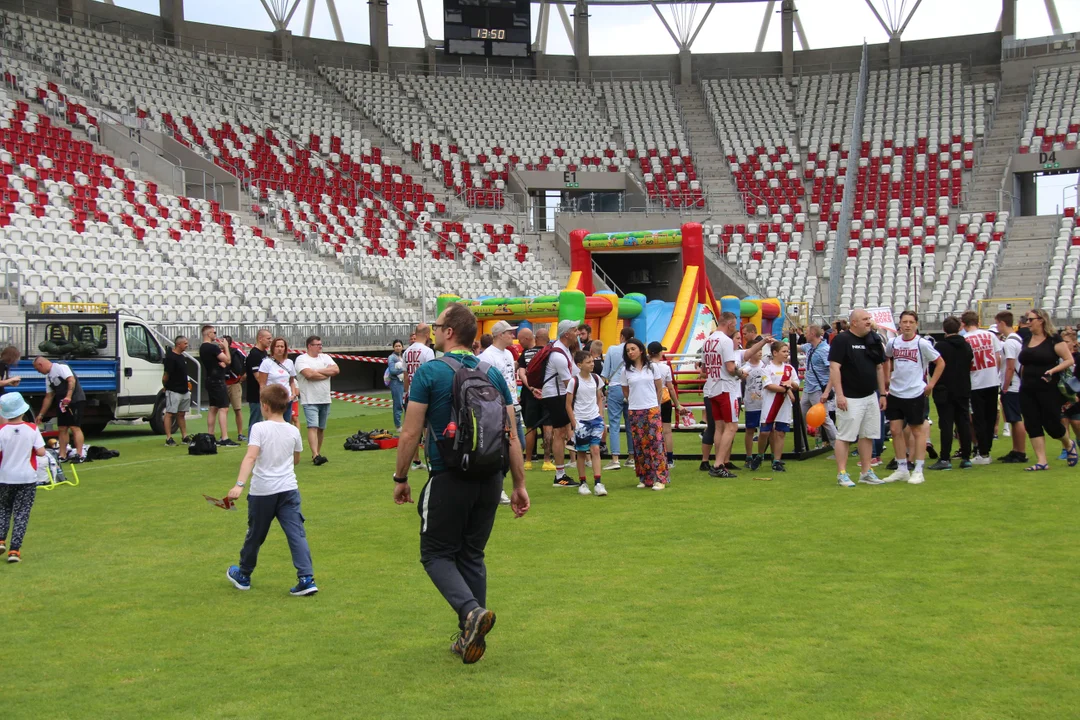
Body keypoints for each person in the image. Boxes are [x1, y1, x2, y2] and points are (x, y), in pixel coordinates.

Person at [392, 301, 529, 665]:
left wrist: (401, 477)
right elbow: (511, 434)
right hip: (490, 476)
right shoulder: (493, 373)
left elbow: (409, 432)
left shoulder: (430, 372)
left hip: (450, 474)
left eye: (437, 326)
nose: (435, 331)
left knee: (436, 553)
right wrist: (519, 484)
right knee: (471, 554)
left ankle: (470, 613)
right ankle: (469, 634)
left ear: (450, 332)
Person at [225, 383, 317, 597]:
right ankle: (306, 578)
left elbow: (250, 456)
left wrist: (239, 484)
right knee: (296, 534)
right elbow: (295, 459)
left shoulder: (259, 428)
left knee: (255, 534)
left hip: (262, 492)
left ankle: (244, 574)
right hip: (288, 490)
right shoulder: (293, 431)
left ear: (265, 406)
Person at [880, 311, 944, 485]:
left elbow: (940, 362)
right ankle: (902, 467)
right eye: (904, 322)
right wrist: (887, 377)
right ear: (899, 324)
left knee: (917, 430)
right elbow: (887, 359)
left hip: (915, 392)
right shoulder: (893, 342)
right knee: (895, 430)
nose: (907, 325)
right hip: (895, 392)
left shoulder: (921, 343)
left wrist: (931, 384)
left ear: (916, 324)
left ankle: (918, 469)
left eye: (911, 322)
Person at [703, 312, 769, 478]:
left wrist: (763, 342)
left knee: (719, 427)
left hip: (713, 387)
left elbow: (704, 369)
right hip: (727, 388)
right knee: (731, 426)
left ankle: (718, 462)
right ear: (730, 324)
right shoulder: (725, 341)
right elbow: (731, 368)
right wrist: (741, 374)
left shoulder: (708, 340)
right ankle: (719, 464)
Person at [828, 308, 887, 487]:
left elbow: (879, 368)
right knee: (845, 436)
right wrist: (839, 395)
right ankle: (842, 473)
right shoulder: (842, 340)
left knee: (868, 435)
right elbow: (834, 367)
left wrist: (882, 393)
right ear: (854, 322)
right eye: (865, 319)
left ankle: (866, 471)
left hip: (870, 395)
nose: (869, 322)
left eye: (869, 318)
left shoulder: (873, 339)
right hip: (850, 396)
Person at [1017, 309, 1077, 471]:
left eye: (1030, 319)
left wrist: (1052, 371)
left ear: (1041, 320)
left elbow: (1068, 360)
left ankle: (1068, 443)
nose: (1027, 322)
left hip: (1047, 388)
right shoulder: (1027, 339)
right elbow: (1024, 363)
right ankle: (1042, 461)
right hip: (1027, 388)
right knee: (1032, 422)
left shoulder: (1053, 340)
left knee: (1051, 423)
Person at [0, 392, 46, 563]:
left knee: (3, 509)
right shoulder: (32, 429)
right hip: (26, 477)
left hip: (5, 477)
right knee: (22, 513)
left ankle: (0, 539)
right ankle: (14, 550)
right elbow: (41, 452)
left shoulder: (2, 431)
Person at [479, 320, 521, 505]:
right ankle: (497, 488)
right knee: (501, 450)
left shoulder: (508, 355)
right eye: (509, 332)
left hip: (512, 404)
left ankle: (503, 487)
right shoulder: (487, 357)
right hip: (498, 407)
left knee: (515, 448)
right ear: (499, 335)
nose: (512, 335)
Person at [930, 316, 975, 470]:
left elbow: (933, 367)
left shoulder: (941, 346)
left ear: (944, 329)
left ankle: (945, 458)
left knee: (947, 424)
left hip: (945, 389)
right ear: (959, 328)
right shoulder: (966, 345)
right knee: (963, 422)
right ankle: (966, 457)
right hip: (963, 388)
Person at [622, 338, 668, 490]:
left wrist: (656, 404)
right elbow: (626, 390)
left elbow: (659, 388)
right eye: (628, 350)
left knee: (656, 443)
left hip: (652, 408)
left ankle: (660, 478)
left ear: (641, 350)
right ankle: (645, 477)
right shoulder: (626, 370)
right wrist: (634, 403)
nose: (630, 352)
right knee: (640, 445)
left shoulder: (653, 367)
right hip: (635, 410)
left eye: (633, 349)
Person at [538, 320, 578, 487]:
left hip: (557, 394)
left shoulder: (563, 350)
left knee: (562, 431)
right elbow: (569, 381)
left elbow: (575, 373)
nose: (577, 332)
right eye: (574, 330)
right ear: (566, 334)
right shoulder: (559, 355)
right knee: (560, 432)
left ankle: (561, 472)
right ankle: (560, 475)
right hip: (556, 395)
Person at [961, 310, 1002, 465]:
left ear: (963, 324)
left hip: (975, 382)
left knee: (978, 418)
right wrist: (995, 373)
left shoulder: (965, 339)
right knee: (991, 416)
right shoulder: (990, 335)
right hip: (992, 379)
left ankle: (982, 452)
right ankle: (987, 449)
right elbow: (998, 357)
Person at [32, 356, 88, 463]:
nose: (38, 372)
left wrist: (68, 397)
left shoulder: (60, 367)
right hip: (61, 403)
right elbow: (49, 396)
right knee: (62, 428)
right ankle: (62, 455)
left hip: (75, 400)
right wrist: (41, 415)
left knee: (74, 426)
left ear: (41, 365)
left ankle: (80, 454)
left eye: (37, 369)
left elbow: (71, 380)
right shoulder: (48, 377)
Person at [566, 349, 607, 496]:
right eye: (588, 362)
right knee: (582, 452)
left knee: (595, 450)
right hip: (581, 420)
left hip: (595, 419)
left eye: (592, 362)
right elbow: (568, 404)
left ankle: (598, 483)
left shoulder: (596, 379)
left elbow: (599, 397)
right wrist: (574, 423)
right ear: (579, 364)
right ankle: (583, 482)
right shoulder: (574, 381)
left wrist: (601, 416)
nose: (592, 364)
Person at [294, 335, 339, 466]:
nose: (320, 346)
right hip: (310, 398)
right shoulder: (301, 359)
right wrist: (326, 373)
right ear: (309, 346)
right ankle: (315, 454)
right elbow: (309, 375)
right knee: (312, 426)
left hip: (324, 397)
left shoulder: (325, 357)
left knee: (321, 428)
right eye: (317, 344)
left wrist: (318, 371)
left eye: (320, 344)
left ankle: (318, 453)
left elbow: (336, 370)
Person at [755, 341, 799, 472]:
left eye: (787, 352)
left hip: (784, 406)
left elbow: (796, 384)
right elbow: (769, 386)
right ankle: (760, 455)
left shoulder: (789, 369)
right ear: (775, 353)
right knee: (764, 432)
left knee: (780, 433)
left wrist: (790, 384)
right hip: (770, 405)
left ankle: (776, 460)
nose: (786, 354)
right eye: (784, 351)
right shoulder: (766, 369)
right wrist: (787, 389)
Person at [993, 311, 1028, 464]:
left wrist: (1005, 386)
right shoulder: (1016, 339)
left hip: (1013, 385)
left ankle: (1020, 452)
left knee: (1015, 418)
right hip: (1016, 384)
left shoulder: (1009, 342)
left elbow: (1010, 366)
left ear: (1002, 323)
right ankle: (1016, 450)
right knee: (1013, 419)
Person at [799, 325, 838, 448]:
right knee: (800, 417)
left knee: (824, 419)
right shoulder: (809, 347)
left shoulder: (825, 350)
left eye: (806, 332)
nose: (805, 335)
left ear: (812, 333)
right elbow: (797, 347)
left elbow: (833, 371)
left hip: (818, 390)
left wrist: (826, 392)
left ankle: (837, 446)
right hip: (808, 389)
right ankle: (801, 444)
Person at [198, 325, 237, 447]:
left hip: (210, 379)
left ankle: (211, 435)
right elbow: (228, 360)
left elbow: (217, 361)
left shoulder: (202, 348)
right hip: (218, 381)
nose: (215, 335)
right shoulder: (212, 347)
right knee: (223, 408)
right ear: (209, 334)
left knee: (213, 408)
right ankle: (224, 437)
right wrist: (226, 347)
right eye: (214, 332)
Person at [404, 323, 436, 471]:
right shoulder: (428, 352)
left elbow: (405, 375)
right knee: (428, 429)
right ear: (428, 334)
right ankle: (429, 459)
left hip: (411, 394)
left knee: (413, 430)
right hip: (424, 394)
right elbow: (430, 374)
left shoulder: (407, 352)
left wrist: (405, 393)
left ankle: (415, 460)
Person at [602, 326, 634, 471]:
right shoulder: (635, 350)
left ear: (621, 336)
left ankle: (615, 458)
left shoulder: (612, 350)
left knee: (614, 424)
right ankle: (632, 457)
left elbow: (606, 372)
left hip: (615, 386)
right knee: (630, 423)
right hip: (631, 387)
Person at [647, 341, 682, 468]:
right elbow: (671, 388)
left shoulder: (646, 367)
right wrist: (677, 404)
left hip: (649, 400)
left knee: (651, 430)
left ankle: (653, 458)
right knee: (667, 431)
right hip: (664, 400)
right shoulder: (665, 368)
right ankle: (670, 459)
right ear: (660, 353)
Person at [515, 327, 545, 469]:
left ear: (527, 339)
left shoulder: (525, 354)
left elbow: (521, 374)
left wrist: (531, 388)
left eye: (520, 340)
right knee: (547, 426)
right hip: (546, 392)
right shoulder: (546, 353)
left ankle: (528, 458)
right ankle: (547, 458)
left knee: (530, 426)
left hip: (530, 393)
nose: (519, 343)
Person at [257, 338, 299, 425]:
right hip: (272, 399)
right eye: (277, 346)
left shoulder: (289, 362)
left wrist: (293, 394)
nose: (280, 349)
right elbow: (262, 384)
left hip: (287, 399)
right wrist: (263, 400)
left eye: (282, 346)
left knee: (286, 423)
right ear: (273, 348)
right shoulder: (266, 363)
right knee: (272, 424)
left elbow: (291, 380)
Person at [162, 335, 191, 447]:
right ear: (178, 344)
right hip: (173, 391)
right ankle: (169, 438)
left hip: (184, 390)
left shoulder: (182, 357)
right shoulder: (171, 357)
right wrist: (165, 386)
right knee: (169, 413)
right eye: (185, 343)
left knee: (181, 414)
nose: (187, 345)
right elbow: (166, 375)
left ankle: (184, 436)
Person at [740, 345, 766, 468]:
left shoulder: (765, 365)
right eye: (757, 350)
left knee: (766, 430)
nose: (760, 352)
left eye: (761, 350)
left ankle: (762, 455)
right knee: (750, 430)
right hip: (751, 403)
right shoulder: (745, 368)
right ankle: (749, 456)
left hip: (765, 403)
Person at [245, 329, 271, 428]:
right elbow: (258, 377)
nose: (270, 341)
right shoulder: (254, 354)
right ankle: (252, 441)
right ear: (260, 338)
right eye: (268, 338)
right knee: (256, 420)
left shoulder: (263, 352)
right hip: (255, 393)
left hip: (263, 392)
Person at [223, 335, 247, 442]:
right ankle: (224, 434)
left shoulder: (235, 353)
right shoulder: (219, 353)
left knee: (237, 409)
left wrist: (241, 377)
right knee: (224, 410)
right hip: (223, 384)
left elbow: (241, 366)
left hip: (234, 384)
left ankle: (240, 433)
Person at [1061, 326, 1080, 452]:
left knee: (1076, 423)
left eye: (1067, 342)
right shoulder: (1058, 358)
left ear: (1074, 343)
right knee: (1063, 421)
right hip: (1062, 395)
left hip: (1076, 396)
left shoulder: (1078, 358)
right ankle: (1066, 449)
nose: (1064, 344)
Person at [387, 340, 406, 431]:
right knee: (398, 404)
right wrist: (404, 370)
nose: (398, 347)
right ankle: (398, 425)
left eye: (399, 346)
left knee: (406, 403)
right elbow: (392, 371)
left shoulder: (404, 356)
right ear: (393, 347)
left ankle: (406, 424)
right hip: (396, 383)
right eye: (396, 346)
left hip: (404, 381)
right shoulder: (391, 357)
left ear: (402, 347)